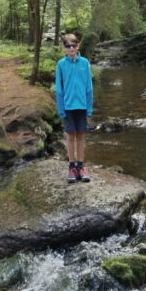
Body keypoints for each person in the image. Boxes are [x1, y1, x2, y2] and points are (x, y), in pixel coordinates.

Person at [55, 32, 93, 183]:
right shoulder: (61, 65)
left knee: (81, 136)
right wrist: (61, 109)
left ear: (78, 46)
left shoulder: (84, 63)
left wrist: (89, 107)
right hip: (68, 106)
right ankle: (72, 167)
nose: (71, 48)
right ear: (64, 48)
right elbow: (59, 89)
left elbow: (89, 87)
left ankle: (81, 166)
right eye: (68, 46)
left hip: (82, 105)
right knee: (70, 136)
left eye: (74, 45)